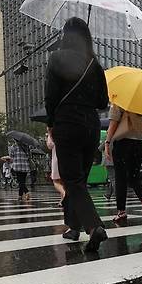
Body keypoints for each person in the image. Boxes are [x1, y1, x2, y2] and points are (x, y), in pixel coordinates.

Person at [46, 17, 109, 252]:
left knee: (72, 180)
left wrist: (51, 124)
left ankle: (94, 227)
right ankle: (73, 226)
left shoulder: (57, 59)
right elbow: (103, 101)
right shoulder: (95, 64)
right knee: (78, 180)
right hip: (91, 125)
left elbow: (50, 97)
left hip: (67, 122)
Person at [106, 104, 142, 223]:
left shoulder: (120, 102)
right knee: (134, 178)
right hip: (138, 144)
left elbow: (113, 125)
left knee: (120, 178)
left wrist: (107, 142)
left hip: (122, 143)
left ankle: (121, 212)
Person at [47, 132, 66, 206]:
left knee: (56, 181)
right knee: (63, 181)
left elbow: (50, 145)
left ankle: (65, 195)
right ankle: (62, 201)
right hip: (67, 159)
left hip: (57, 159)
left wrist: (49, 135)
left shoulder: (53, 133)